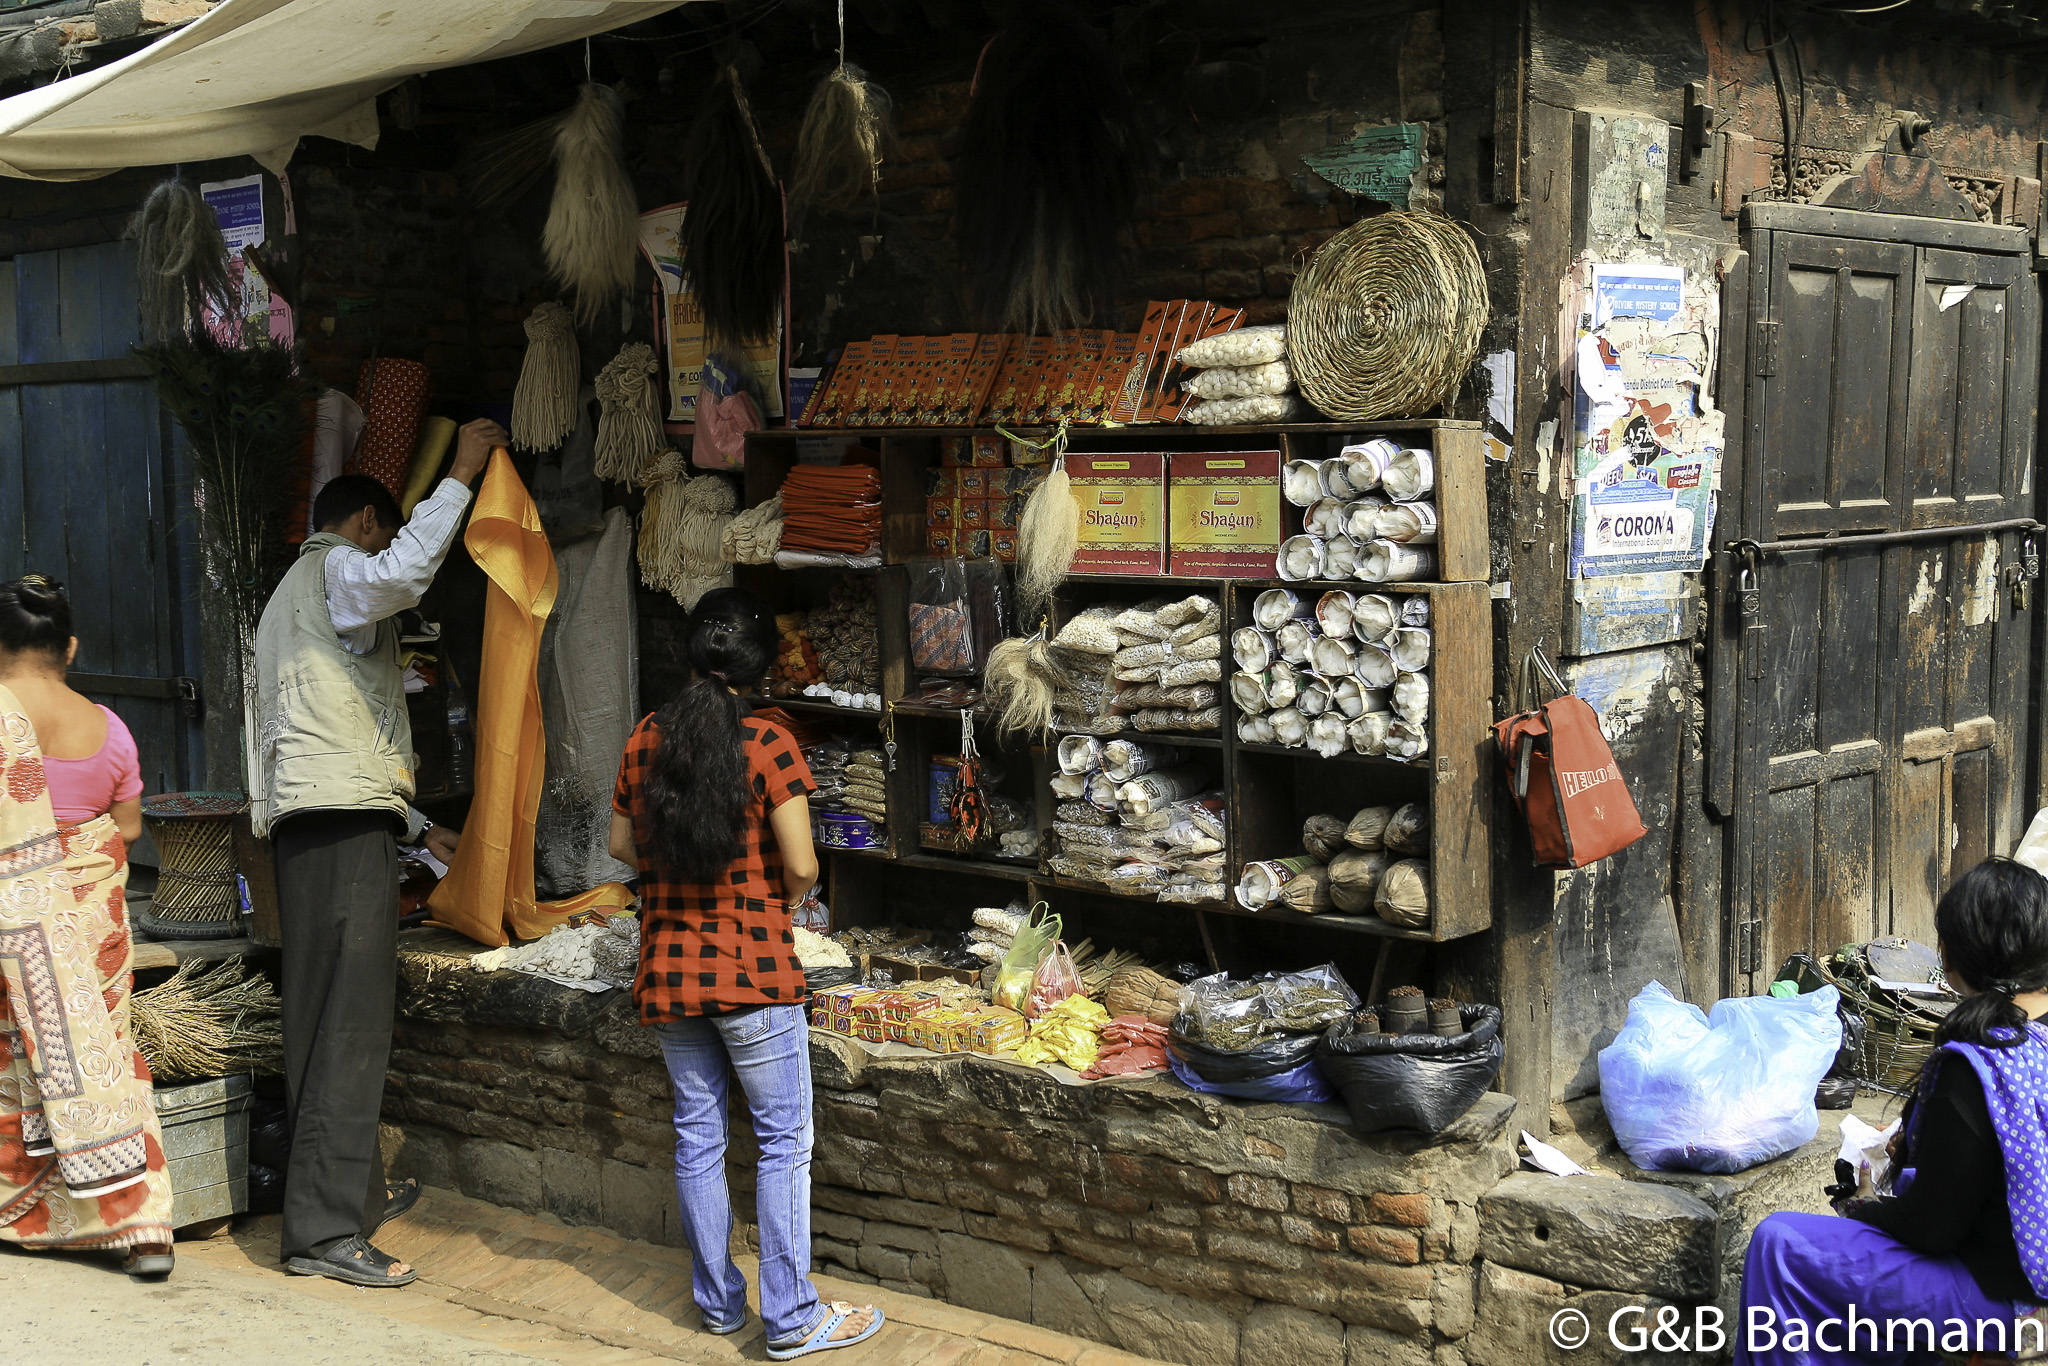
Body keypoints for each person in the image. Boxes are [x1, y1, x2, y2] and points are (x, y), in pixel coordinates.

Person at [252, 418, 504, 1288]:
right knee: (348, 1025)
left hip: (322, 820)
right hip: (331, 825)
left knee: (326, 1018)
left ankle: (342, 1199)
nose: (387, 548)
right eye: (385, 530)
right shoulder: (335, 568)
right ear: (363, 524)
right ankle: (323, 1234)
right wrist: (463, 475)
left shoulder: (290, 598)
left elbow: (328, 726)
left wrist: (406, 826)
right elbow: (400, 571)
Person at [608, 588, 884, 1360]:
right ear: (758, 665)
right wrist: (774, 897)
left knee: (698, 1137)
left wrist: (678, 873)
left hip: (669, 969)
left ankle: (720, 1306)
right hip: (753, 970)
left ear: (689, 655)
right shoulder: (768, 744)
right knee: (782, 1140)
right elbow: (801, 864)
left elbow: (621, 847)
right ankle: (792, 1318)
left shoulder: (643, 740)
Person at [1738, 856, 2048, 1365]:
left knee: (1780, 1246)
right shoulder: (2031, 1044)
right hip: (2015, 1281)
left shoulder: (1977, 1061)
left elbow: (1933, 1228)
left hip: (2008, 1303)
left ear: (1951, 958)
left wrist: (1863, 1203)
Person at [0, 575, 175, 1277]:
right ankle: (142, 1228)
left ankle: (25, 1211)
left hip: (11, 922)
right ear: (69, 647)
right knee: (103, 1058)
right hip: (88, 927)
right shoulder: (111, 729)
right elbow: (127, 828)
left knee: (14, 1060)